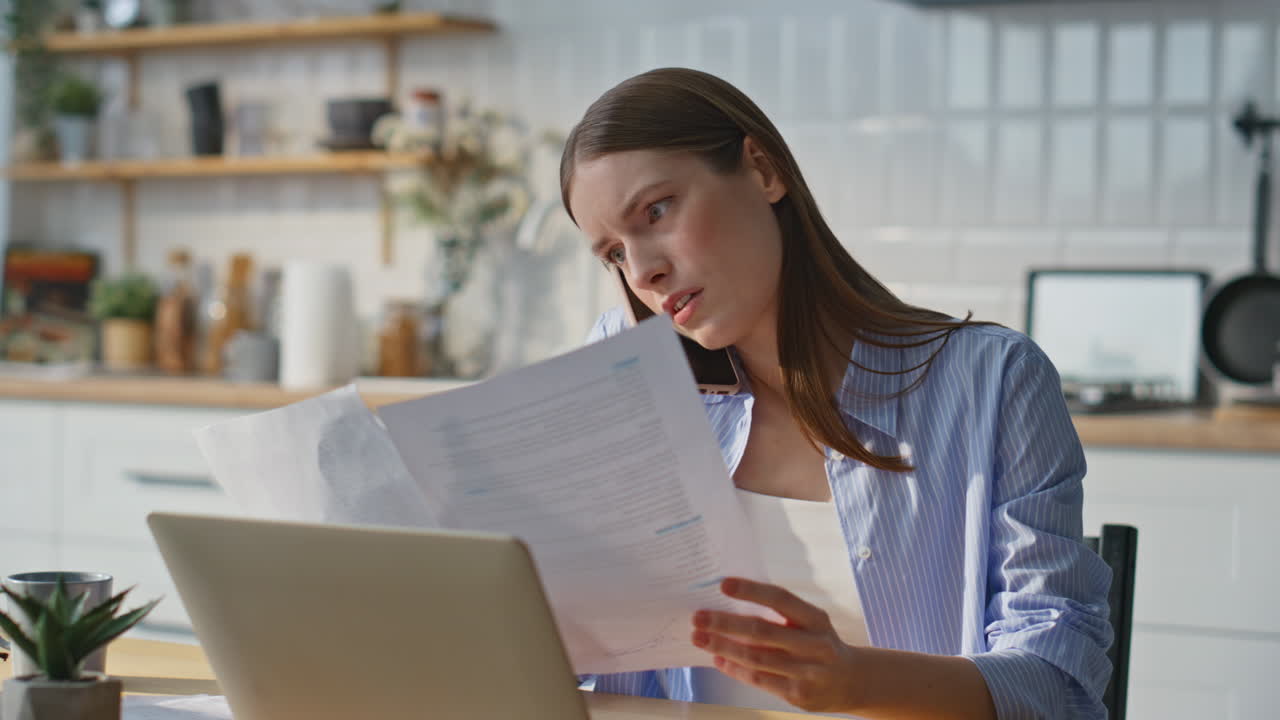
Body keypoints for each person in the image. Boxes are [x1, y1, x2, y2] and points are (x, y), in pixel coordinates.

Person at [561, 68, 1113, 720]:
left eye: (657, 211)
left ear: (763, 170)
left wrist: (857, 683)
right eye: (614, 254)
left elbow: (1060, 688)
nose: (644, 269)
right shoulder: (629, 383)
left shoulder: (992, 380)